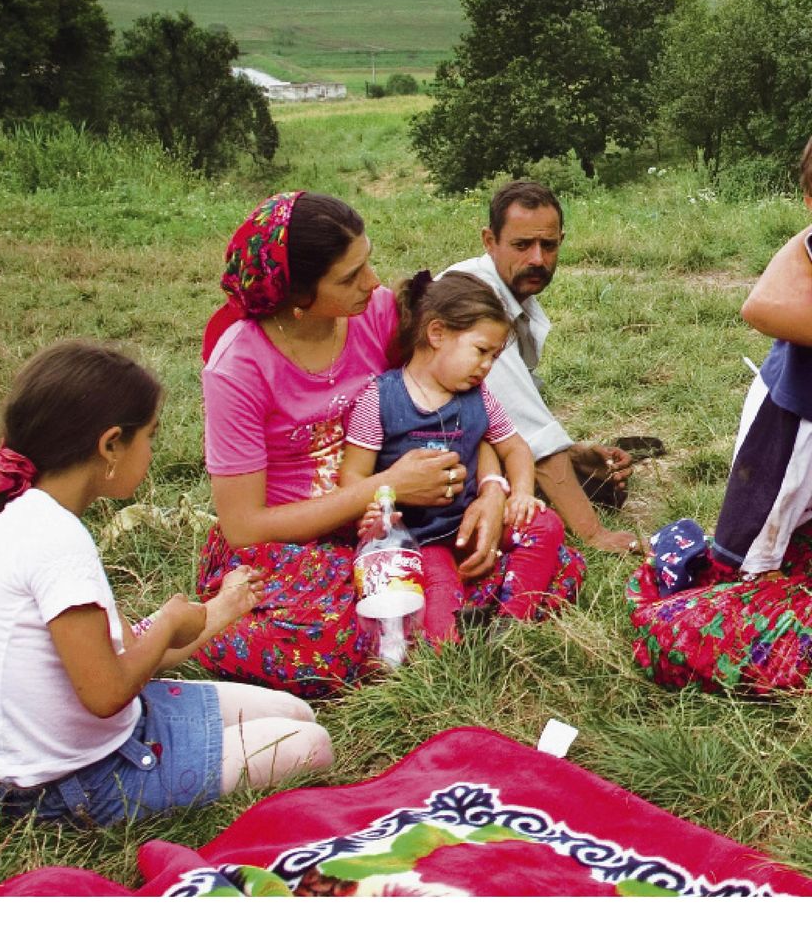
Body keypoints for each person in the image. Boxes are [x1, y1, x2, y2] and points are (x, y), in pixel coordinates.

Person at [0, 339, 333, 827]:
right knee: (310, 746)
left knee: (294, 713)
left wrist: (221, 609)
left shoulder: (29, 516)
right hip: (76, 784)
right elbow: (107, 692)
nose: (154, 450)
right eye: (150, 435)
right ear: (110, 445)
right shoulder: (57, 543)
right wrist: (171, 620)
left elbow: (128, 649)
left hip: (112, 733)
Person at [197, 191, 504, 696]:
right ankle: (210, 625)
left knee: (527, 542)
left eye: (367, 261)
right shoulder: (238, 368)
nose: (375, 282)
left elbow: (463, 402)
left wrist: (491, 489)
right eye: (348, 277)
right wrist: (387, 487)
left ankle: (428, 626)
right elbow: (244, 527)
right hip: (292, 543)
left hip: (406, 520)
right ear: (297, 298)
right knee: (345, 633)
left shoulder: (377, 315)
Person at [627, 140, 812, 693]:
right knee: (759, 549)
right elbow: (760, 307)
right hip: (796, 421)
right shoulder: (804, 253)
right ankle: (723, 596)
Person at [339, 270, 585, 643]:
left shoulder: (479, 397)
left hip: (471, 523)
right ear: (436, 334)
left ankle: (510, 620)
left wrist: (519, 493)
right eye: (481, 351)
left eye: (495, 356)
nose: (487, 366)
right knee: (437, 617)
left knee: (545, 524)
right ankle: (456, 633)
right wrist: (372, 511)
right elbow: (353, 476)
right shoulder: (379, 398)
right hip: (421, 541)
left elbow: (514, 447)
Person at [443, 180, 637, 553]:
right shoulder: (473, 300)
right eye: (521, 245)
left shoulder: (509, 286)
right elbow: (529, 429)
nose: (537, 259)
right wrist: (595, 534)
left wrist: (575, 454)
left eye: (548, 245)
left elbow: (506, 411)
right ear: (489, 240)